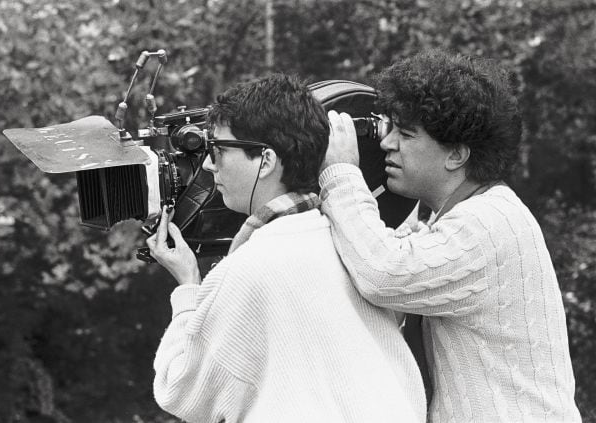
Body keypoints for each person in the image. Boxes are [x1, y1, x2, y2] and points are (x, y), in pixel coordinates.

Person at [146, 74, 426, 423]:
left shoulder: (247, 270)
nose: (207, 164)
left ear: (265, 160)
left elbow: (181, 390)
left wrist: (189, 288)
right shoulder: (357, 244)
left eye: (218, 150)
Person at [320, 49, 581, 422]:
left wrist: (342, 174)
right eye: (390, 128)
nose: (386, 143)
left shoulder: (487, 224)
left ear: (456, 155)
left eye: (406, 134)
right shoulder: (474, 215)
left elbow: (383, 273)